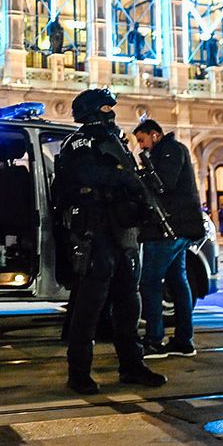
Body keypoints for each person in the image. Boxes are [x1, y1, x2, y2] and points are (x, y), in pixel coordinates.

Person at [53, 88, 166, 395]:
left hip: (121, 232)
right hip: (94, 231)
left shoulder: (116, 140)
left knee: (129, 303)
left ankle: (132, 366)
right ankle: (79, 373)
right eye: (105, 107)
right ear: (90, 111)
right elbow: (87, 176)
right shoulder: (78, 142)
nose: (111, 112)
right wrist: (123, 178)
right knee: (89, 308)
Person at [133, 119, 205, 359]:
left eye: (142, 140)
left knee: (150, 281)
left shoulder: (170, 150)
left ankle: (154, 340)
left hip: (169, 228)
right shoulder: (170, 151)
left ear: (155, 135)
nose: (141, 146)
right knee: (177, 280)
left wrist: (142, 172)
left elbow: (164, 185)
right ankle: (184, 341)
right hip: (178, 227)